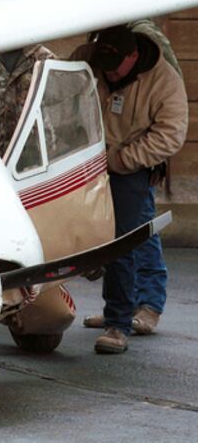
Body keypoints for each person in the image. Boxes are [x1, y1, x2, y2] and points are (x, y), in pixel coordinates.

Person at [72, 24, 188, 354]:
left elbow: (170, 134)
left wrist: (123, 160)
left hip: (132, 163)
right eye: (102, 65)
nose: (107, 73)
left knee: (127, 238)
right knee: (87, 234)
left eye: (114, 66)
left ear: (134, 55)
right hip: (86, 160)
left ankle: (121, 322)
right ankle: (118, 308)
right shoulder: (89, 57)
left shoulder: (164, 80)